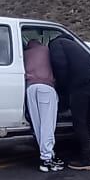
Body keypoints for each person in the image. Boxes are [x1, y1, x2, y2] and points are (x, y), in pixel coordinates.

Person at [48, 33, 90, 171]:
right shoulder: (76, 46)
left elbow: (60, 65)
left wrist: (62, 86)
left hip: (80, 87)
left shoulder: (55, 44)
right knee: (85, 121)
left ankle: (88, 160)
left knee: (79, 122)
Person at [23, 38, 62, 172]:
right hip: (46, 87)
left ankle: (46, 155)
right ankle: (47, 158)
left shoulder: (25, 54)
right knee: (47, 124)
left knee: (38, 124)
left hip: (30, 88)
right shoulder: (46, 50)